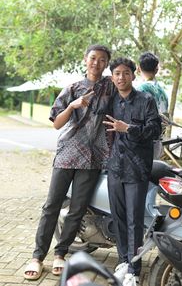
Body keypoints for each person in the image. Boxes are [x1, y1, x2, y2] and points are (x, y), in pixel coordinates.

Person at [24, 44, 114, 280]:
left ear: (106, 64)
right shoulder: (72, 88)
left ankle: (60, 253)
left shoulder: (110, 88)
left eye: (102, 59)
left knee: (77, 209)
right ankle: (37, 256)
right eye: (93, 58)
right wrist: (73, 105)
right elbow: (56, 123)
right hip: (67, 154)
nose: (97, 63)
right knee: (52, 205)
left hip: (93, 157)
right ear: (85, 59)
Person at [103, 57, 162, 286]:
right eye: (117, 73)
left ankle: (134, 269)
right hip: (115, 168)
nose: (121, 77)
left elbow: (155, 130)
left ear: (133, 75)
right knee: (117, 217)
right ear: (112, 77)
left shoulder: (146, 100)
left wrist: (128, 128)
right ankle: (123, 262)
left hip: (137, 169)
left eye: (125, 73)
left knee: (134, 221)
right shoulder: (111, 101)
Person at [136, 52, 168, 159]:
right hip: (158, 138)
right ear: (156, 70)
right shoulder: (162, 92)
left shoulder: (140, 90)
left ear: (138, 68)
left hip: (143, 140)